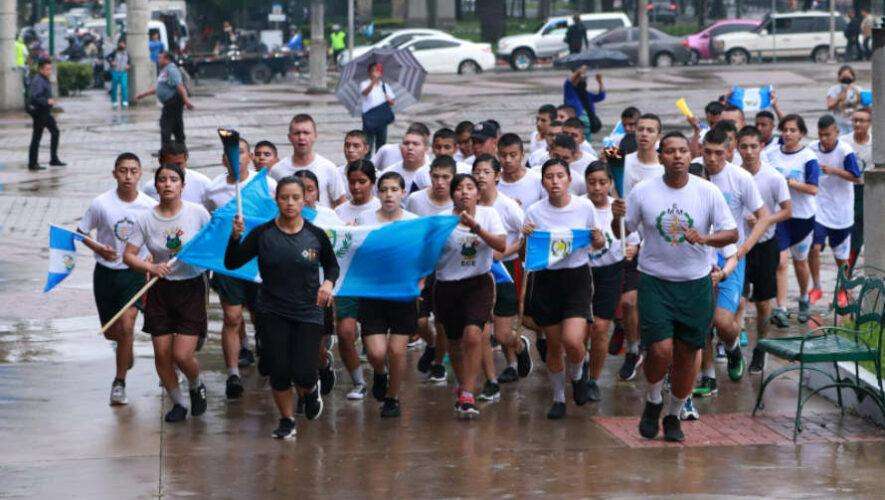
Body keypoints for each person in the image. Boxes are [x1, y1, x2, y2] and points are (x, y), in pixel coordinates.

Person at [612, 131, 737, 442]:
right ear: (660, 155)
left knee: (686, 354)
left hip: (695, 285)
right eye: (670, 151)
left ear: (689, 154)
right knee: (659, 349)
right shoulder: (643, 192)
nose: (678, 156)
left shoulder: (707, 192)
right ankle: (654, 400)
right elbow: (625, 230)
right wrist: (614, 217)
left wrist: (705, 238)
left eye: (683, 151)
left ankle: (674, 413)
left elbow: (732, 233)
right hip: (655, 281)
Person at [225, 176, 339, 439]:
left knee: (303, 372)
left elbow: (332, 265)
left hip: (309, 311)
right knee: (279, 371)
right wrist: (234, 238)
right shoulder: (263, 234)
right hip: (272, 311)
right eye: (284, 197)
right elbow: (232, 263)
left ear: (304, 200)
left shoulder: (315, 235)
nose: (290, 203)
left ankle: (311, 391)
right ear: (276, 200)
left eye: (296, 198)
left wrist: (328, 284)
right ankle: (287, 420)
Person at [123, 163, 212, 423]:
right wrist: (151, 266)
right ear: (156, 186)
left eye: (174, 179)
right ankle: (178, 403)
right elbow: (128, 256)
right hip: (160, 289)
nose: (168, 184)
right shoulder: (146, 219)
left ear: (182, 185)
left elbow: (214, 241)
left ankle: (196, 383)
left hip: (192, 287)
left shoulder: (198, 213)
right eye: (162, 179)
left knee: (181, 355)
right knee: (162, 354)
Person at [523, 158, 606, 419]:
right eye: (549, 177)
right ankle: (559, 397)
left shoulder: (584, 207)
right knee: (554, 344)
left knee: (573, 340)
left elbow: (596, 243)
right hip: (547, 280)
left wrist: (598, 238)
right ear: (543, 182)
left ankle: (579, 375)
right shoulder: (534, 212)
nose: (555, 181)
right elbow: (529, 248)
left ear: (570, 179)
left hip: (577, 279)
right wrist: (525, 234)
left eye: (560, 176)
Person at [690, 128, 766, 406]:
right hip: (698, 257)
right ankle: (708, 377)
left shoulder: (740, 178)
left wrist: (745, 247)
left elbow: (764, 216)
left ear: (729, 150)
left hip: (730, 256)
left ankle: (733, 349)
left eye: (718, 153)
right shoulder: (692, 175)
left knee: (723, 322)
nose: (712, 159)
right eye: (707, 152)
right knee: (703, 323)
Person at [77, 153, 157, 406]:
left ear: (140, 174)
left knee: (126, 324)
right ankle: (125, 348)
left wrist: (151, 263)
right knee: (113, 333)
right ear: (114, 174)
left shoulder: (148, 205)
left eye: (133, 171)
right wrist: (98, 248)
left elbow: (156, 237)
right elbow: (80, 233)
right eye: (123, 171)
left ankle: (119, 382)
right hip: (105, 273)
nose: (128, 176)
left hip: (134, 273)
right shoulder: (101, 203)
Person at [203, 138, 277, 399]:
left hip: (258, 263)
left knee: (260, 315)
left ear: (250, 157)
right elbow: (209, 226)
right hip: (229, 263)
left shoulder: (266, 184)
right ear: (223, 159)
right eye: (229, 153)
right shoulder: (213, 190)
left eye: (241, 152)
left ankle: (263, 349)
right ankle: (233, 372)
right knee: (232, 317)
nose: (235, 157)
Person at [434, 174, 506, 419]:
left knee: (474, 335)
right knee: (453, 341)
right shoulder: (442, 221)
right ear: (452, 194)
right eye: (459, 188)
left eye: (469, 188)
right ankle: (463, 383)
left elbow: (501, 245)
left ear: (478, 192)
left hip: (478, 283)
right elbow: (426, 252)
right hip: (447, 286)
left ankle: (468, 392)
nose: (464, 192)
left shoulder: (489, 215)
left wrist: (476, 227)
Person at [354, 171, 420, 417]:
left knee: (397, 351)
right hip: (372, 294)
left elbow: (424, 255)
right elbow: (351, 251)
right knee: (376, 352)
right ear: (377, 193)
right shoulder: (364, 219)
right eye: (384, 190)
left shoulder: (414, 222)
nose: (389, 194)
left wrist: (420, 283)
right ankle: (380, 374)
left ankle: (393, 397)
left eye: (394, 189)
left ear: (403, 193)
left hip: (403, 295)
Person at [472, 155, 532, 393]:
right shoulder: (470, 204)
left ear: (497, 176)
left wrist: (507, 250)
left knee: (502, 332)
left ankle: (519, 346)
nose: (480, 177)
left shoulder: (508, 206)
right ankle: (496, 376)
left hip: (505, 270)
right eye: (476, 171)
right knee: (484, 331)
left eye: (486, 172)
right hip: (477, 271)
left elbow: (527, 232)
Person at [735, 126, 792, 374]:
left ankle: (761, 347)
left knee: (762, 302)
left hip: (765, 245)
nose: (749, 152)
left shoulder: (773, 177)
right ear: (737, 147)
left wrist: (765, 220)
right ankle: (732, 344)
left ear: (761, 147)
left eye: (753, 146)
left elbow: (787, 210)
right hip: (737, 246)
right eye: (744, 146)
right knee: (736, 300)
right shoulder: (733, 174)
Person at [584, 161, 635, 401]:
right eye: (592, 182)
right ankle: (579, 369)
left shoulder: (620, 207)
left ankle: (593, 378)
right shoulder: (578, 206)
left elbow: (634, 237)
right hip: (581, 273)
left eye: (602, 182)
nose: (597, 188)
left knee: (600, 327)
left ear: (611, 183)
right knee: (579, 330)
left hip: (610, 272)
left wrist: (632, 248)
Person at [333, 160, 382, 400]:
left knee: (376, 342)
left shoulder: (383, 207)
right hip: (348, 281)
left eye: (362, 182)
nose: (356, 187)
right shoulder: (339, 213)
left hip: (375, 282)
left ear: (372, 182)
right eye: (352, 182)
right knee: (345, 332)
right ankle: (359, 381)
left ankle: (381, 373)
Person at [407, 156, 456, 383]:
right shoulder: (416, 200)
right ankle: (433, 344)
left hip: (448, 267)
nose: (440, 182)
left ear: (453, 178)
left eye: (445, 177)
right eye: (435, 176)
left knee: (443, 320)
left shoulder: (459, 202)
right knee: (418, 321)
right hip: (420, 268)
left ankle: (438, 363)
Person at [768, 115, 820, 326]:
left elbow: (813, 188)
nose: (787, 134)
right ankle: (781, 308)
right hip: (780, 216)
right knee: (780, 262)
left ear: (801, 134)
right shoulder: (770, 155)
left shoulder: (808, 157)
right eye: (785, 130)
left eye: (792, 130)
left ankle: (803, 297)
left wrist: (790, 183)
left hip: (803, 217)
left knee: (800, 262)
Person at [808, 114, 861, 304]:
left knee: (840, 256)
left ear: (836, 133)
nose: (824, 139)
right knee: (813, 248)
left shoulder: (845, 151)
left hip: (841, 211)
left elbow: (857, 177)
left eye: (827, 135)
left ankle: (843, 289)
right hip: (819, 208)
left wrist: (834, 171)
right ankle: (816, 287)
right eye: (821, 135)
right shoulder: (812, 148)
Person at [270, 114, 347, 208]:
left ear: (315, 135)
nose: (301, 137)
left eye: (306, 133)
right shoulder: (277, 170)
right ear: (289, 137)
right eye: (297, 133)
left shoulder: (328, 167)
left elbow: (341, 202)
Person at [135, 51, 194, 147]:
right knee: (176, 124)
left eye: (160, 58)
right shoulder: (164, 70)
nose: (158, 60)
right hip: (170, 102)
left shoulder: (171, 70)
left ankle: (167, 148)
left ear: (167, 59)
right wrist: (143, 94)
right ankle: (179, 145)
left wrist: (186, 101)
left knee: (165, 124)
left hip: (173, 101)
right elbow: (159, 88)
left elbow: (180, 86)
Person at [841, 108, 872, 268]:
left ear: (870, 123)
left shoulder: (876, 144)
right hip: (847, 190)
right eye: (855, 120)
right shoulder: (844, 142)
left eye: (862, 120)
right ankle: (846, 271)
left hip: (868, 191)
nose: (858, 124)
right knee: (850, 234)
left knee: (861, 234)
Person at [143, 142, 212, 204]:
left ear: (186, 159)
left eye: (178, 164)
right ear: (160, 161)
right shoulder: (149, 189)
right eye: (169, 164)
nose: (174, 169)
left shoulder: (203, 184)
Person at [27, 60, 65, 171]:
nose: (49, 71)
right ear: (41, 69)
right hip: (40, 112)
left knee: (55, 132)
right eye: (47, 69)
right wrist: (47, 101)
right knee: (37, 137)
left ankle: (53, 159)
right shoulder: (38, 80)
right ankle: (33, 163)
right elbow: (35, 97)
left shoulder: (43, 79)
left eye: (50, 69)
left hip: (45, 112)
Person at [497, 133, 545, 209]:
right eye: (503, 155)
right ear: (498, 156)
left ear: (522, 155)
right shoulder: (493, 182)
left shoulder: (537, 180)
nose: (508, 160)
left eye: (513, 155)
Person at [360, 62, 396, 153]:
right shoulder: (364, 84)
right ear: (369, 72)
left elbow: (392, 102)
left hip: (382, 117)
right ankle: (367, 164)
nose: (376, 73)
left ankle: (380, 164)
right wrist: (373, 82)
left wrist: (388, 99)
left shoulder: (384, 86)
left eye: (378, 70)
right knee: (368, 144)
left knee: (381, 145)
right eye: (373, 70)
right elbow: (365, 93)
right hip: (369, 118)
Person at [564, 67, 605, 141]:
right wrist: (579, 72)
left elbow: (601, 96)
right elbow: (569, 83)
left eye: (584, 79)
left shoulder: (587, 95)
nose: (582, 80)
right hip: (574, 129)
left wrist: (600, 81)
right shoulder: (570, 93)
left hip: (587, 128)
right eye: (580, 78)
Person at [387, 130, 432, 195]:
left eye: (415, 144)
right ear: (400, 147)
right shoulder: (388, 173)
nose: (410, 147)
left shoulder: (434, 175)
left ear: (426, 148)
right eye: (406, 143)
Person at [826, 65, 863, 135]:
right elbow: (829, 106)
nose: (846, 80)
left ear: (853, 77)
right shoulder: (834, 90)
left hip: (855, 124)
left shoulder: (859, 90)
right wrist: (838, 99)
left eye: (848, 77)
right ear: (839, 77)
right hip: (839, 125)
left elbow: (865, 106)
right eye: (843, 77)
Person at [109, 40, 130, 110]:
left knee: (124, 87)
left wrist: (128, 65)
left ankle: (124, 102)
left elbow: (129, 61)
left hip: (124, 72)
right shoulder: (115, 52)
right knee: (114, 87)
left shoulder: (127, 53)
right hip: (115, 71)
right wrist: (111, 62)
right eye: (120, 43)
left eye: (123, 44)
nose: (122, 45)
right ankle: (114, 102)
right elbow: (108, 57)